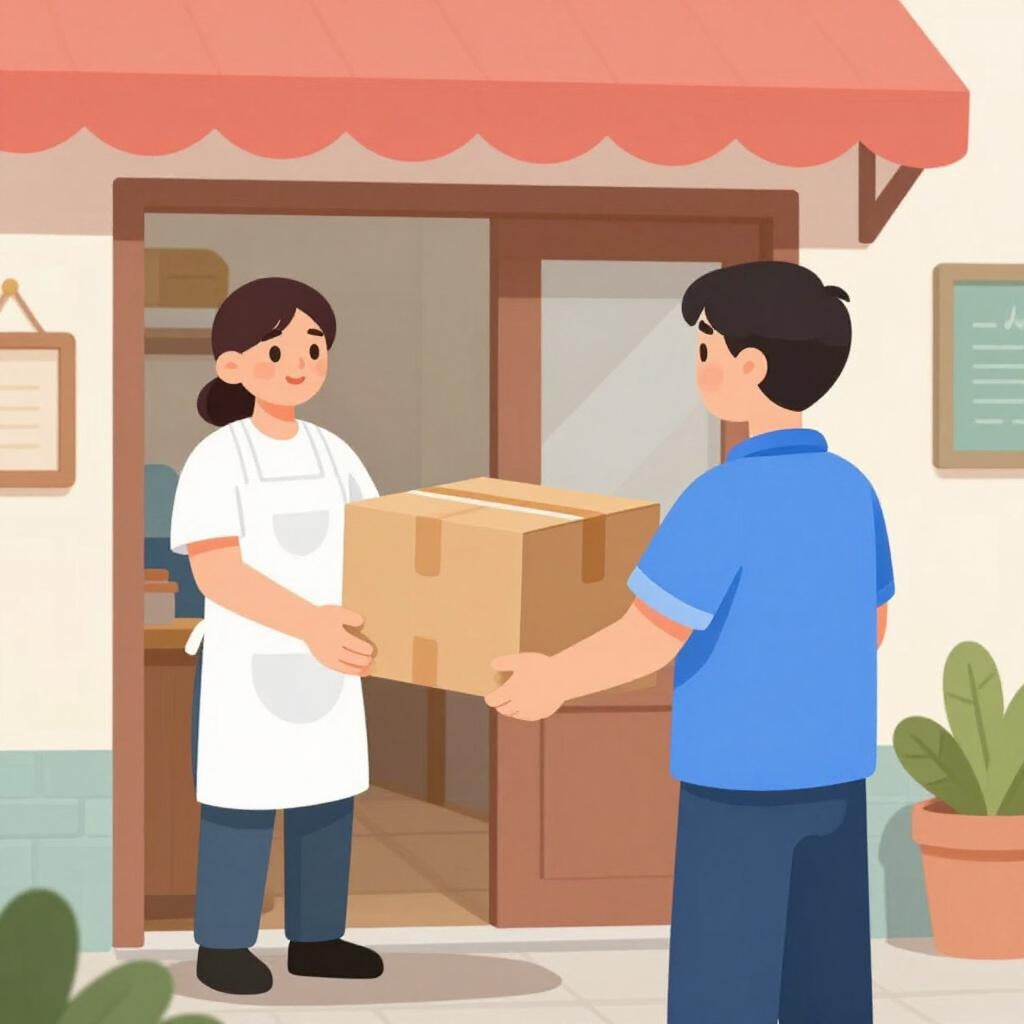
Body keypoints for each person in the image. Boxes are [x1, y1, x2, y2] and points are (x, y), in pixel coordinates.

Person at [487, 261, 892, 1024]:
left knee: (725, 982)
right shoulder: (852, 489)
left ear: (751, 366)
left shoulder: (720, 499)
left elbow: (651, 634)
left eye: (704, 349)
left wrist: (554, 678)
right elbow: (871, 626)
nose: (698, 367)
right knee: (826, 979)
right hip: (837, 777)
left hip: (737, 784)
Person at [170, 277, 384, 995]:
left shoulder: (335, 453)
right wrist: (310, 625)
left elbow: (380, 547)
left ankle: (317, 937)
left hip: (330, 662)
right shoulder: (218, 459)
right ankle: (224, 943)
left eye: (314, 347)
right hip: (249, 662)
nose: (300, 363)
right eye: (279, 347)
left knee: (327, 799)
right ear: (231, 365)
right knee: (242, 802)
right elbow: (218, 572)